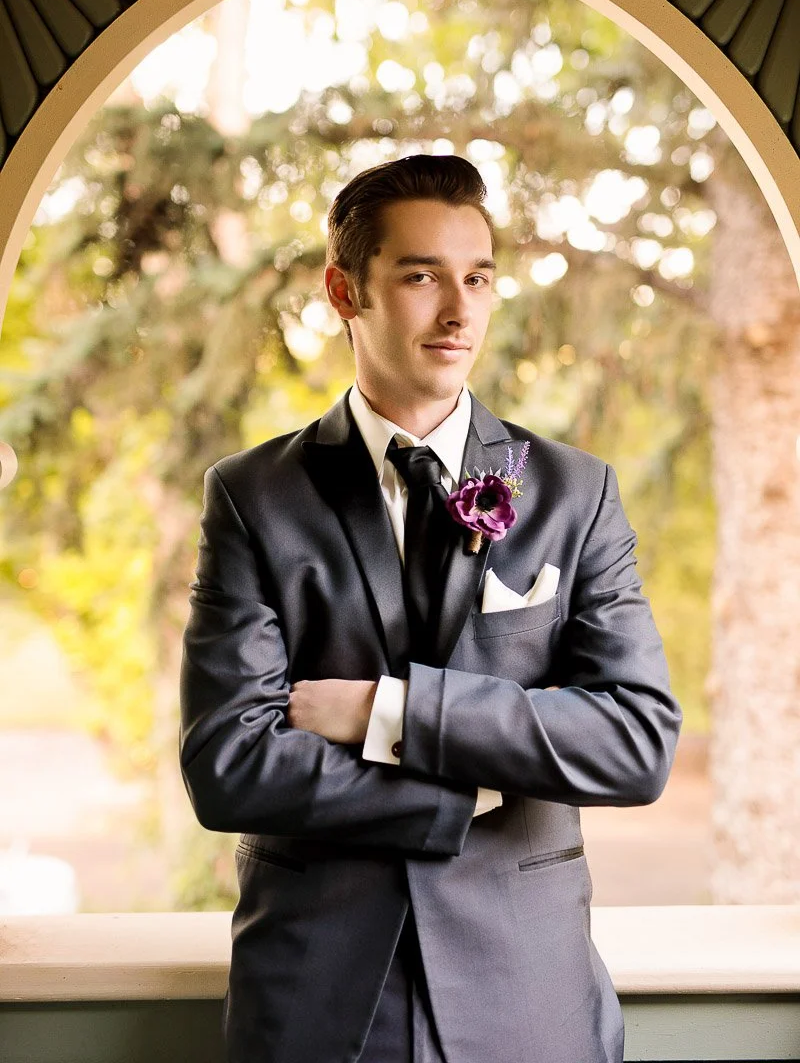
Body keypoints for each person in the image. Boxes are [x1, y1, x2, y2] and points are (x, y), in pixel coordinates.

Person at [179, 153, 683, 1063]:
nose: (459, 312)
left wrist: (390, 713)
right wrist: (472, 791)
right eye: (421, 277)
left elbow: (637, 742)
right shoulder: (253, 496)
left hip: (527, 999)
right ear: (345, 291)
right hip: (318, 1005)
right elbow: (229, 764)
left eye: (478, 278)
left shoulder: (573, 493)